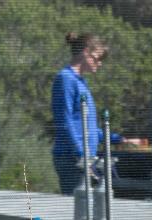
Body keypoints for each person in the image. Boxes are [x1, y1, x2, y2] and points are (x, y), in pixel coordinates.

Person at [51, 32, 121, 194]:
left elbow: (86, 126)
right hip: (72, 159)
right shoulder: (65, 79)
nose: (100, 64)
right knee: (79, 213)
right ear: (85, 52)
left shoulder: (81, 82)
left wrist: (116, 138)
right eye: (97, 58)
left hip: (84, 159)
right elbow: (65, 122)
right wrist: (81, 156)